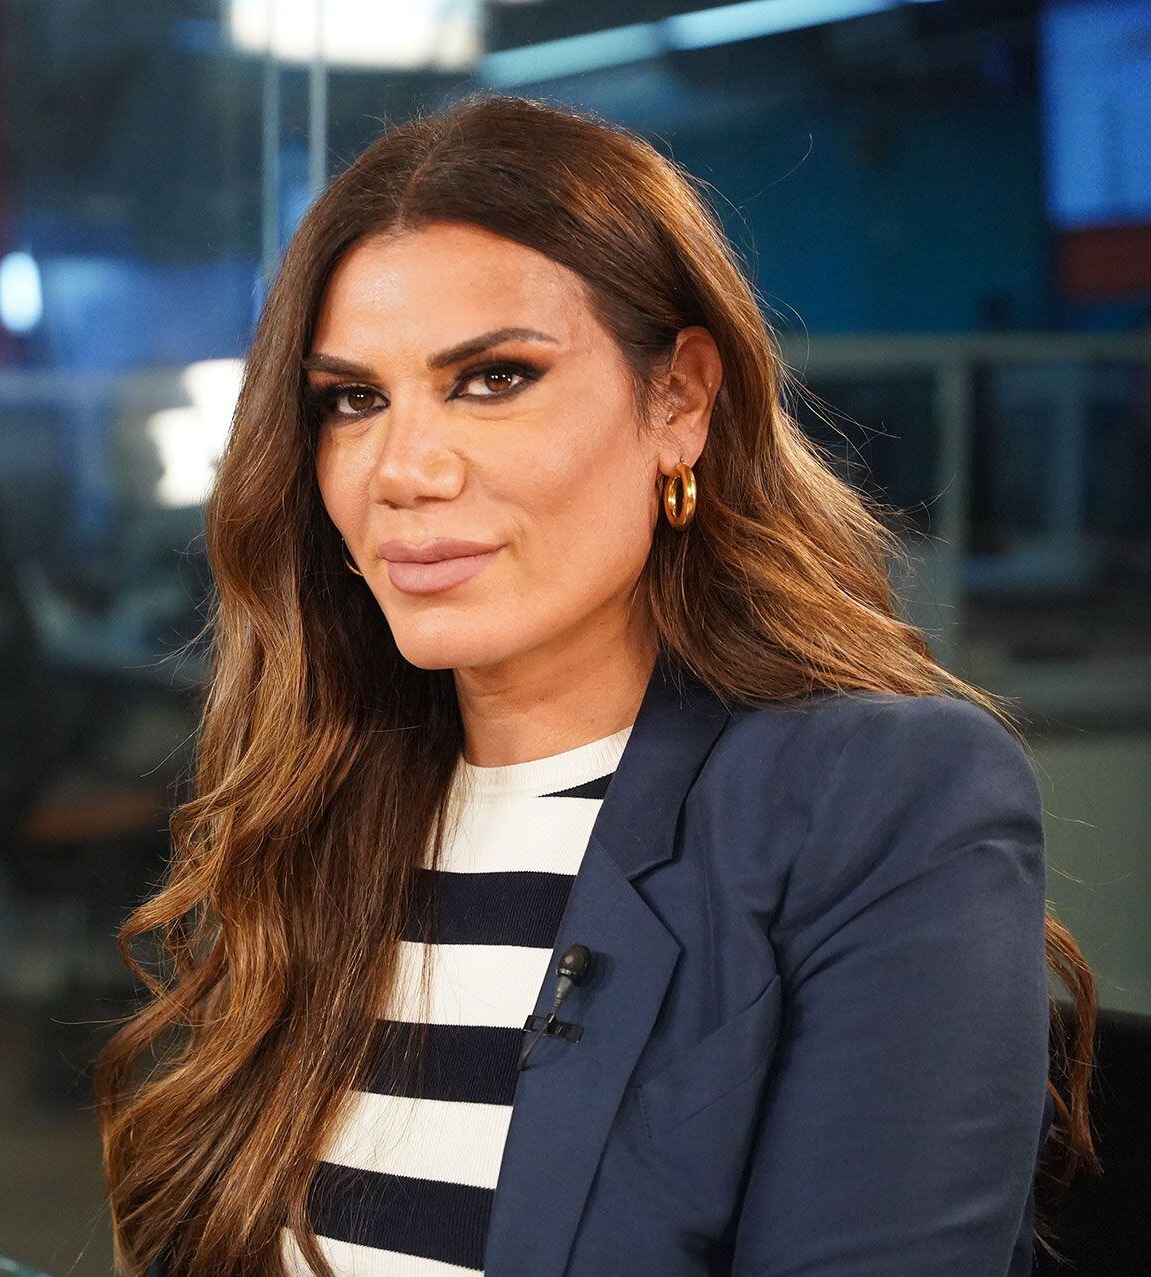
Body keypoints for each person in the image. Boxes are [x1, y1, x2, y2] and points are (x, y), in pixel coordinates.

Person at [93, 93, 1099, 1277]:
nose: (403, 469)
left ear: (679, 400)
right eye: (352, 400)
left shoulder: (876, 797)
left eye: (494, 378)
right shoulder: (330, 801)